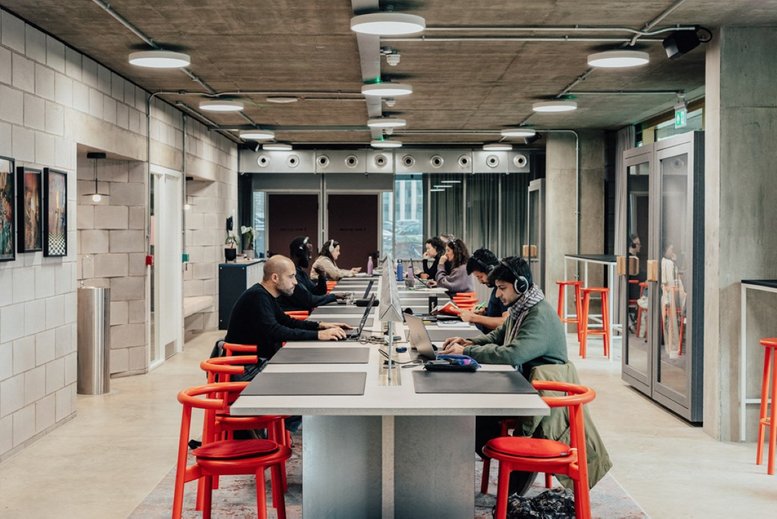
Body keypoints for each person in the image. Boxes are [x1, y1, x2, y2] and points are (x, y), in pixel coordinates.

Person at [441, 256, 568, 461]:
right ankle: (501, 459)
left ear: (520, 285)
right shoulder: (522, 309)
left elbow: (512, 354)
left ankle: (513, 465)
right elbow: (498, 336)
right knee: (474, 406)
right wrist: (468, 342)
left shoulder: (537, 316)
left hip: (540, 395)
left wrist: (467, 353)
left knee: (474, 411)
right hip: (524, 385)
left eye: (502, 288)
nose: (498, 294)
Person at [225, 255, 351, 364]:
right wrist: (319, 335)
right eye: (291, 277)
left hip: (259, 360)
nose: (295, 282)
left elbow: (288, 322)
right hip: (246, 367)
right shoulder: (257, 297)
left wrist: (321, 326)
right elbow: (276, 331)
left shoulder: (266, 295)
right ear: (275, 278)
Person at [279, 236, 345, 311]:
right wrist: (334, 296)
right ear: (299, 254)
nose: (310, 257)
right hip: (298, 317)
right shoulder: (291, 275)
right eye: (308, 254)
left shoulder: (300, 272)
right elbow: (309, 300)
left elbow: (318, 293)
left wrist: (322, 276)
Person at [462, 248, 508, 333]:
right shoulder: (497, 288)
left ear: (490, 270)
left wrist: (474, 318)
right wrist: (485, 313)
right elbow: (499, 312)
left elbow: (506, 322)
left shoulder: (504, 290)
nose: (480, 281)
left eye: (480, 276)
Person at [661, 243, 686, 359]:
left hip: (667, 295)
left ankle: (672, 346)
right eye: (671, 249)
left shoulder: (663, 262)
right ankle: (675, 347)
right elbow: (674, 282)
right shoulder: (669, 263)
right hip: (671, 295)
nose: (672, 251)